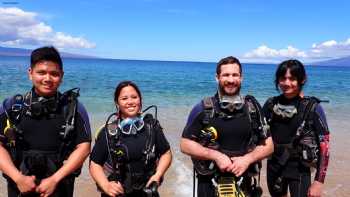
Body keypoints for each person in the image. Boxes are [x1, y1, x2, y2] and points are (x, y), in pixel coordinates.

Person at [0, 46, 91, 197]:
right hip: (19, 187)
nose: (47, 79)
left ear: (61, 76)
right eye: (41, 72)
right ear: (30, 73)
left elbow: (84, 147)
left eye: (54, 74)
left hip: (60, 187)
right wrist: (18, 178)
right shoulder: (12, 107)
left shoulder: (73, 109)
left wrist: (55, 180)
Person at [180, 56, 274, 197]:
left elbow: (269, 146)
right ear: (217, 78)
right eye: (226, 75)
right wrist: (216, 156)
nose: (231, 80)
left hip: (245, 183)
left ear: (241, 78)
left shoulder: (252, 109)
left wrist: (247, 159)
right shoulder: (204, 109)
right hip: (209, 183)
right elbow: (185, 144)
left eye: (235, 75)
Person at [89, 80, 172, 197]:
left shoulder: (152, 127)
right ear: (117, 103)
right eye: (124, 98)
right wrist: (105, 185)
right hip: (117, 193)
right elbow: (94, 164)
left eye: (134, 97)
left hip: (147, 192)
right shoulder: (108, 131)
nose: (130, 102)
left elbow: (166, 153)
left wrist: (158, 175)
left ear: (140, 101)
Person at [263, 59, 330, 197]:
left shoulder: (313, 108)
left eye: (292, 78)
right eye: (283, 78)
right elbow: (256, 134)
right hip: (274, 167)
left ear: (302, 80)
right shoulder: (270, 104)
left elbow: (325, 147)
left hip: (299, 169)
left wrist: (318, 182)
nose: (287, 83)